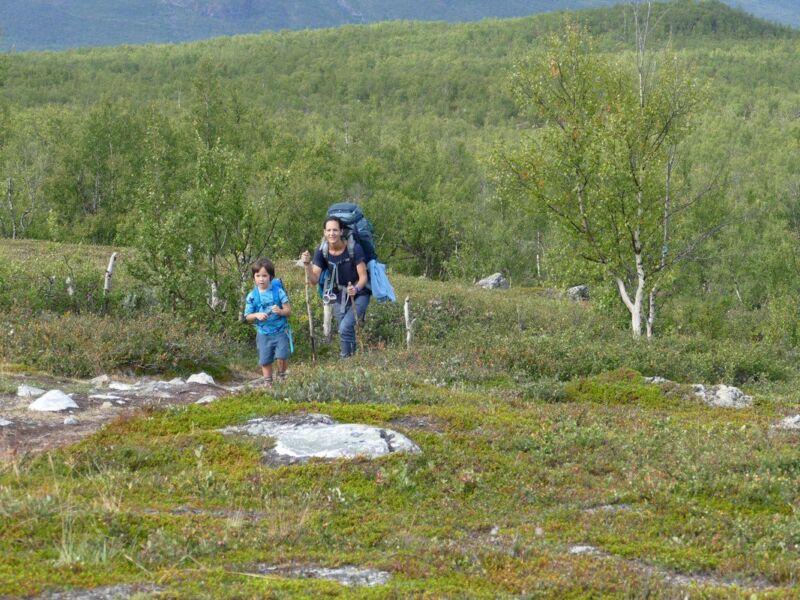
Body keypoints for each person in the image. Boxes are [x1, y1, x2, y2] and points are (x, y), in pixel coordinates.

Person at [301, 216, 370, 358]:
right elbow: (314, 280)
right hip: (338, 295)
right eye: (328, 230)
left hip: (360, 293)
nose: (332, 233)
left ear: (341, 231)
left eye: (335, 230)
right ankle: (353, 361)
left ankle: (346, 360)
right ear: (324, 232)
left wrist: (355, 289)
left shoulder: (354, 248)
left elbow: (363, 277)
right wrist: (307, 265)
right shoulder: (322, 251)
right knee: (345, 330)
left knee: (345, 328)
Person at [243, 258, 292, 385]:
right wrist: (257, 315)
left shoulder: (279, 292)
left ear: (271, 276)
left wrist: (280, 311)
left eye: (264, 275)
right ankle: (268, 383)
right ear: (253, 277)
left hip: (281, 331)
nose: (261, 279)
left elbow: (288, 310)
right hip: (263, 333)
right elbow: (247, 316)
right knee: (265, 360)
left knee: (282, 356)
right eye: (258, 275)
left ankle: (282, 378)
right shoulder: (252, 296)